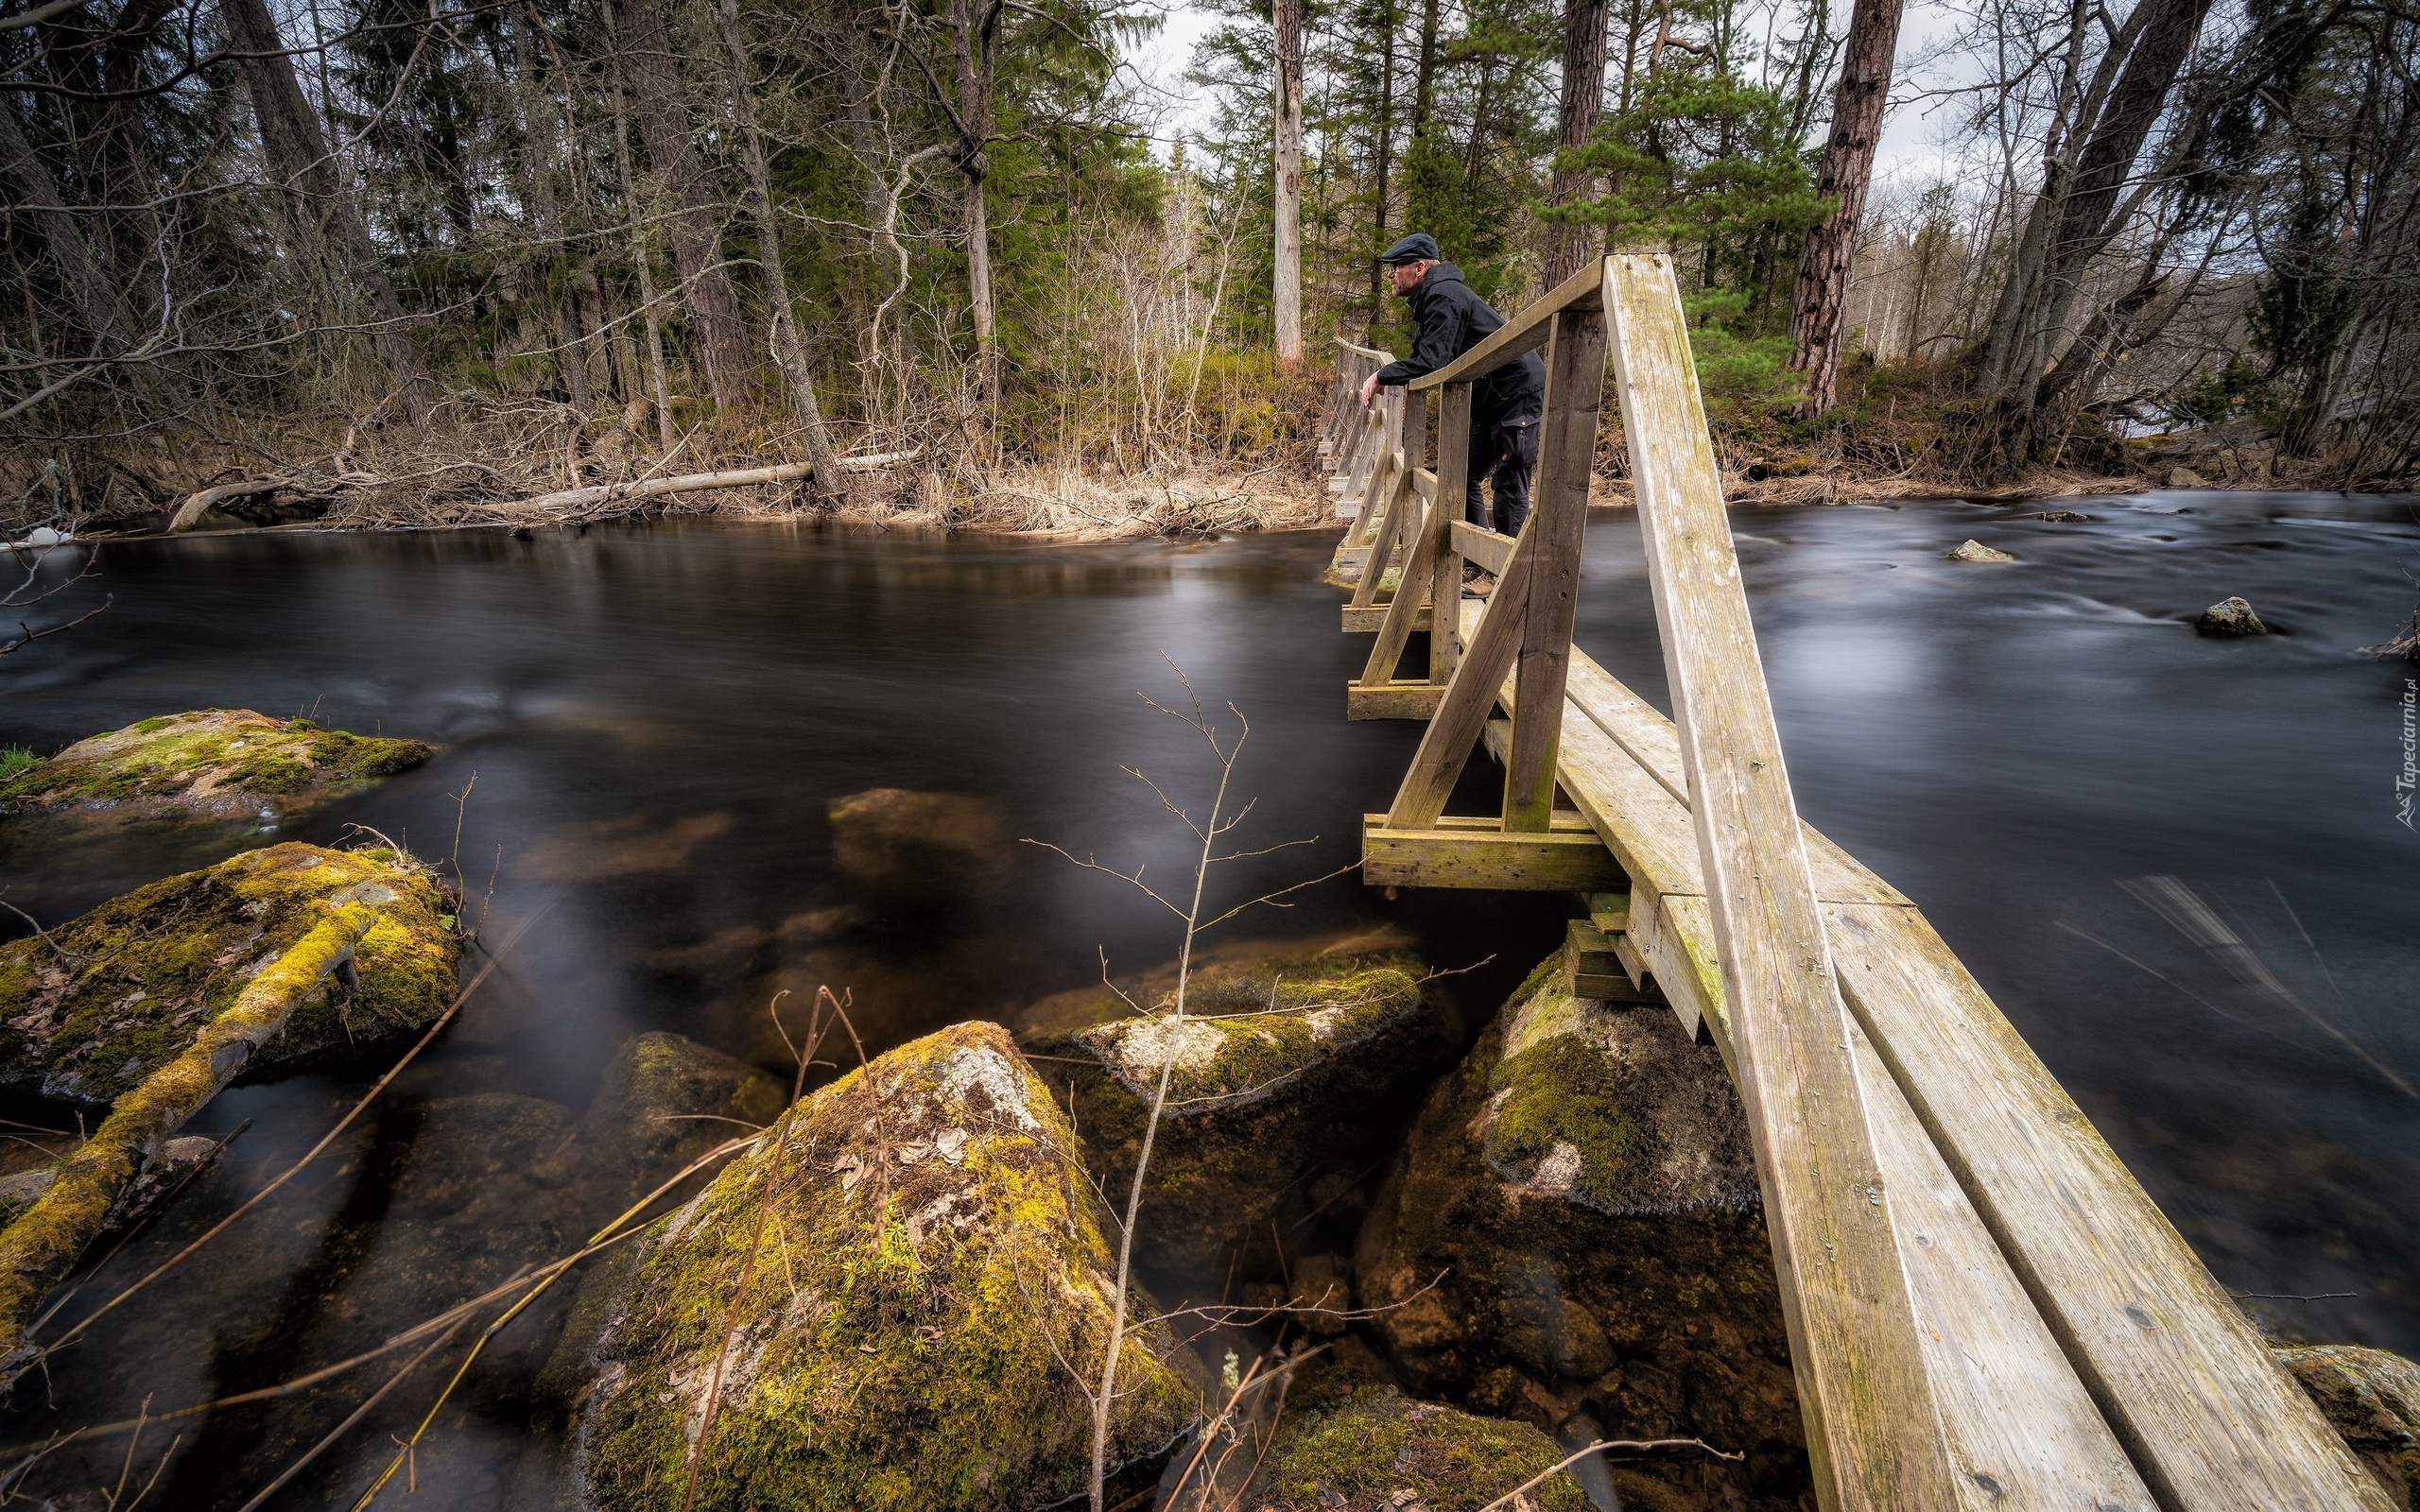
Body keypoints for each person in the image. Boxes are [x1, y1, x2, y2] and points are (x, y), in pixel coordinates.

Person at [1358, 232, 1546, 539]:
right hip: (1494, 397)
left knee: (1510, 482)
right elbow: (1428, 356)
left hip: (1518, 392)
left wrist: (1381, 376)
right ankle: (1474, 563)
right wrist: (1388, 375)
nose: (1390, 274)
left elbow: (1432, 361)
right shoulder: (1433, 296)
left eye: (1396, 266)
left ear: (1419, 267)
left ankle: (1502, 578)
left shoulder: (1443, 295)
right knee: (1459, 473)